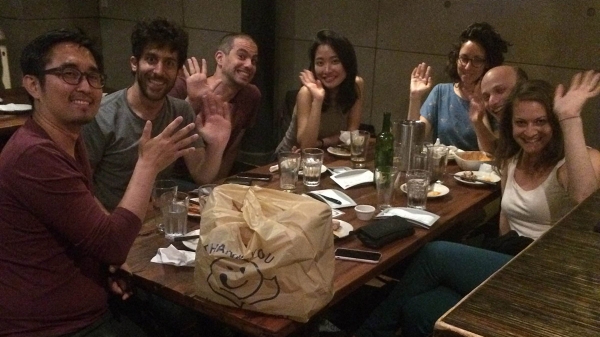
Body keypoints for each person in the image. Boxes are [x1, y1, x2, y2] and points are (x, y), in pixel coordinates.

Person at [354, 71, 600, 337]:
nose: (531, 132)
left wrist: (570, 118)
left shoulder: (570, 164)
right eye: (521, 122)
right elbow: (506, 220)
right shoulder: (514, 159)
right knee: (419, 308)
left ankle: (368, 332)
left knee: (435, 254)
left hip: (547, 275)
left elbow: (585, 196)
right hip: (509, 260)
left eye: (541, 121)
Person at [0, 28, 201, 336]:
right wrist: (147, 164)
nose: (86, 87)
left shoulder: (68, 140)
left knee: (192, 319)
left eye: (93, 77)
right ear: (33, 84)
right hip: (54, 325)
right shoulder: (32, 155)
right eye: (70, 74)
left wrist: (105, 266)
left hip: (92, 297)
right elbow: (113, 243)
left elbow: (90, 228)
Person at [82, 18, 231, 211]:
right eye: (151, 59)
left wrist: (218, 145)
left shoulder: (181, 111)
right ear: (134, 63)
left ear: (178, 71)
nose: (159, 71)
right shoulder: (101, 115)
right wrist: (112, 231)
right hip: (110, 222)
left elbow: (202, 175)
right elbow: (83, 189)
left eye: (169, 63)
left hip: (157, 221)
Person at [169, 32, 261, 179]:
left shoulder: (251, 95)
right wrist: (193, 103)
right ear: (220, 58)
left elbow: (232, 148)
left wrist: (219, 183)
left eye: (254, 61)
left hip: (210, 178)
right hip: (173, 179)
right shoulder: (181, 87)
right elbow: (164, 136)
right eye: (242, 56)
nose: (249, 65)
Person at [407, 22, 510, 150]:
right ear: (456, 59)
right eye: (464, 58)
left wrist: (479, 114)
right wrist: (415, 97)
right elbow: (414, 142)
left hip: (481, 169)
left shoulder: (493, 99)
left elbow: (495, 152)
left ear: (487, 64)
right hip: (443, 167)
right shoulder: (441, 92)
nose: (468, 66)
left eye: (477, 60)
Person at [274, 29, 364, 153]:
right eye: (320, 63)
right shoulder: (306, 93)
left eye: (335, 61)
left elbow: (351, 133)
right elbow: (306, 147)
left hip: (326, 155)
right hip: (288, 161)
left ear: (347, 62)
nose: (327, 70)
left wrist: (321, 143)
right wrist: (318, 99)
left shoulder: (356, 84)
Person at [470, 65, 528, 153]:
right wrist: (477, 122)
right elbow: (496, 151)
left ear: (523, 88)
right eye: (486, 97)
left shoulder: (543, 125)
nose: (491, 102)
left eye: (500, 91)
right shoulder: (508, 127)